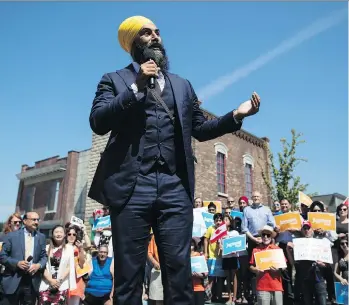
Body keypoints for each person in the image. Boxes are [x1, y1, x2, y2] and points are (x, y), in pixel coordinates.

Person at [88, 15, 261, 305]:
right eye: (146, 33)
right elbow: (98, 121)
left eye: (157, 32)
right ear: (133, 43)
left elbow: (201, 129)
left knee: (178, 273)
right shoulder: (114, 80)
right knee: (129, 279)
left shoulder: (182, 85)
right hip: (132, 188)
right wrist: (136, 87)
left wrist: (236, 116)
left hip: (174, 186)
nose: (155, 37)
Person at [0, 212, 47, 305]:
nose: (36, 222)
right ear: (25, 221)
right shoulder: (12, 236)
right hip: (13, 279)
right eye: (33, 219)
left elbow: (44, 256)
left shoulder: (41, 237)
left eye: (38, 220)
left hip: (31, 282)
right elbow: (2, 256)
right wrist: (16, 263)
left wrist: (38, 265)